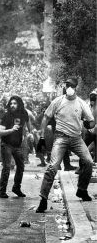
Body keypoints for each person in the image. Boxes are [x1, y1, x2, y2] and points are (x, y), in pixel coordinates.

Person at [35, 78, 95, 213]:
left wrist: (88, 123)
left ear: (76, 87)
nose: (69, 87)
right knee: (53, 166)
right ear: (65, 86)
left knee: (89, 162)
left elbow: (91, 122)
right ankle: (43, 199)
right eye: (67, 85)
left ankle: (82, 189)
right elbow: (46, 117)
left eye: (72, 85)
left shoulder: (81, 103)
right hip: (60, 137)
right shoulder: (58, 101)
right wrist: (42, 137)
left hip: (76, 138)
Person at [0, 96, 31, 198]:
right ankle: (2, 191)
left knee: (20, 166)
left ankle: (16, 188)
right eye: (11, 103)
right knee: (6, 167)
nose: (12, 105)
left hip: (17, 145)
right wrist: (11, 130)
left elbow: (29, 124)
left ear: (19, 104)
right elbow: (0, 132)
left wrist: (30, 133)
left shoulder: (24, 113)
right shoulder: (6, 116)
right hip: (6, 144)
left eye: (15, 103)